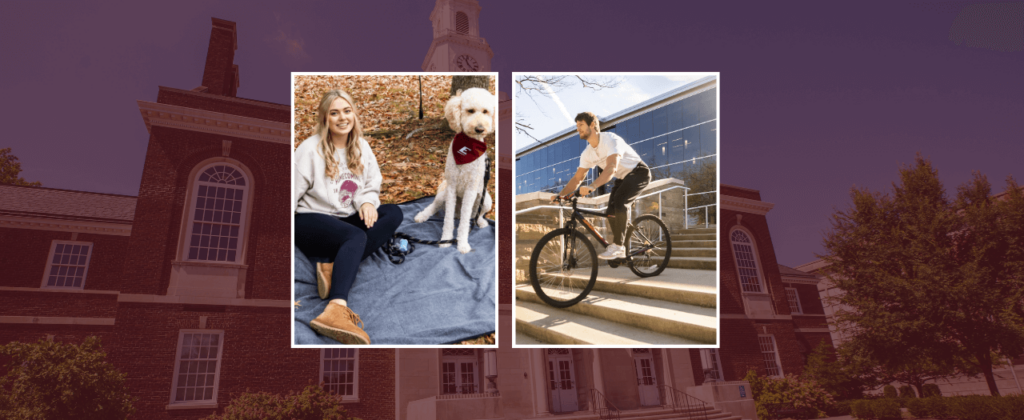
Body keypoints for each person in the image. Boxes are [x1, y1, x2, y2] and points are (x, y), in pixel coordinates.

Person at [294, 89, 403, 344]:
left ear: (354, 113)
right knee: (354, 236)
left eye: (347, 111)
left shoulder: (361, 147)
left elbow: (370, 185)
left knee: (393, 212)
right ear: (325, 119)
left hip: (345, 217)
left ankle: (332, 268)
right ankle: (335, 309)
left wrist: (366, 202)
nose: (342, 118)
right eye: (334, 113)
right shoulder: (309, 150)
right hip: (310, 220)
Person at [553, 112, 650, 260]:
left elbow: (611, 167)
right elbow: (578, 178)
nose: (577, 129)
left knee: (620, 201)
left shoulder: (611, 140)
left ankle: (618, 246)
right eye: (577, 126)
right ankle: (622, 242)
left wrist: (592, 186)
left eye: (581, 125)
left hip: (639, 172)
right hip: (623, 178)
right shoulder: (587, 153)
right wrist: (561, 195)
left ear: (592, 125)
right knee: (610, 211)